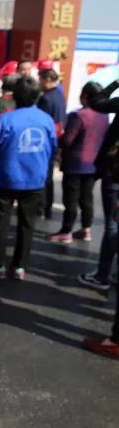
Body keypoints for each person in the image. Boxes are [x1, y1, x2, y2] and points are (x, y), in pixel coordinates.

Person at [0, 76, 57, 280]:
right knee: (27, 224)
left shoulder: (5, 120)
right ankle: (19, 267)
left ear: (15, 96)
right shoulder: (46, 120)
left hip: (6, 177)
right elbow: (53, 148)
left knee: (2, 222)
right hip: (35, 178)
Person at [83, 76, 119, 356]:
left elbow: (97, 103)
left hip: (115, 176)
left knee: (112, 226)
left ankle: (103, 274)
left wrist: (115, 84)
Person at [47, 82, 109, 244]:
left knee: (71, 199)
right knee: (87, 198)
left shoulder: (79, 115)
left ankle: (66, 231)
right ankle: (86, 229)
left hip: (75, 164)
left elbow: (67, 140)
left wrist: (58, 137)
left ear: (85, 97)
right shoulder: (104, 116)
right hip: (94, 164)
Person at [37, 68, 68, 219]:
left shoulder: (46, 98)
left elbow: (42, 120)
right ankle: (46, 208)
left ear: (47, 79)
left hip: (46, 141)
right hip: (56, 139)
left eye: (41, 79)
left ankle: (41, 208)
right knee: (48, 177)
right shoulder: (60, 95)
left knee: (43, 176)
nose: (39, 82)